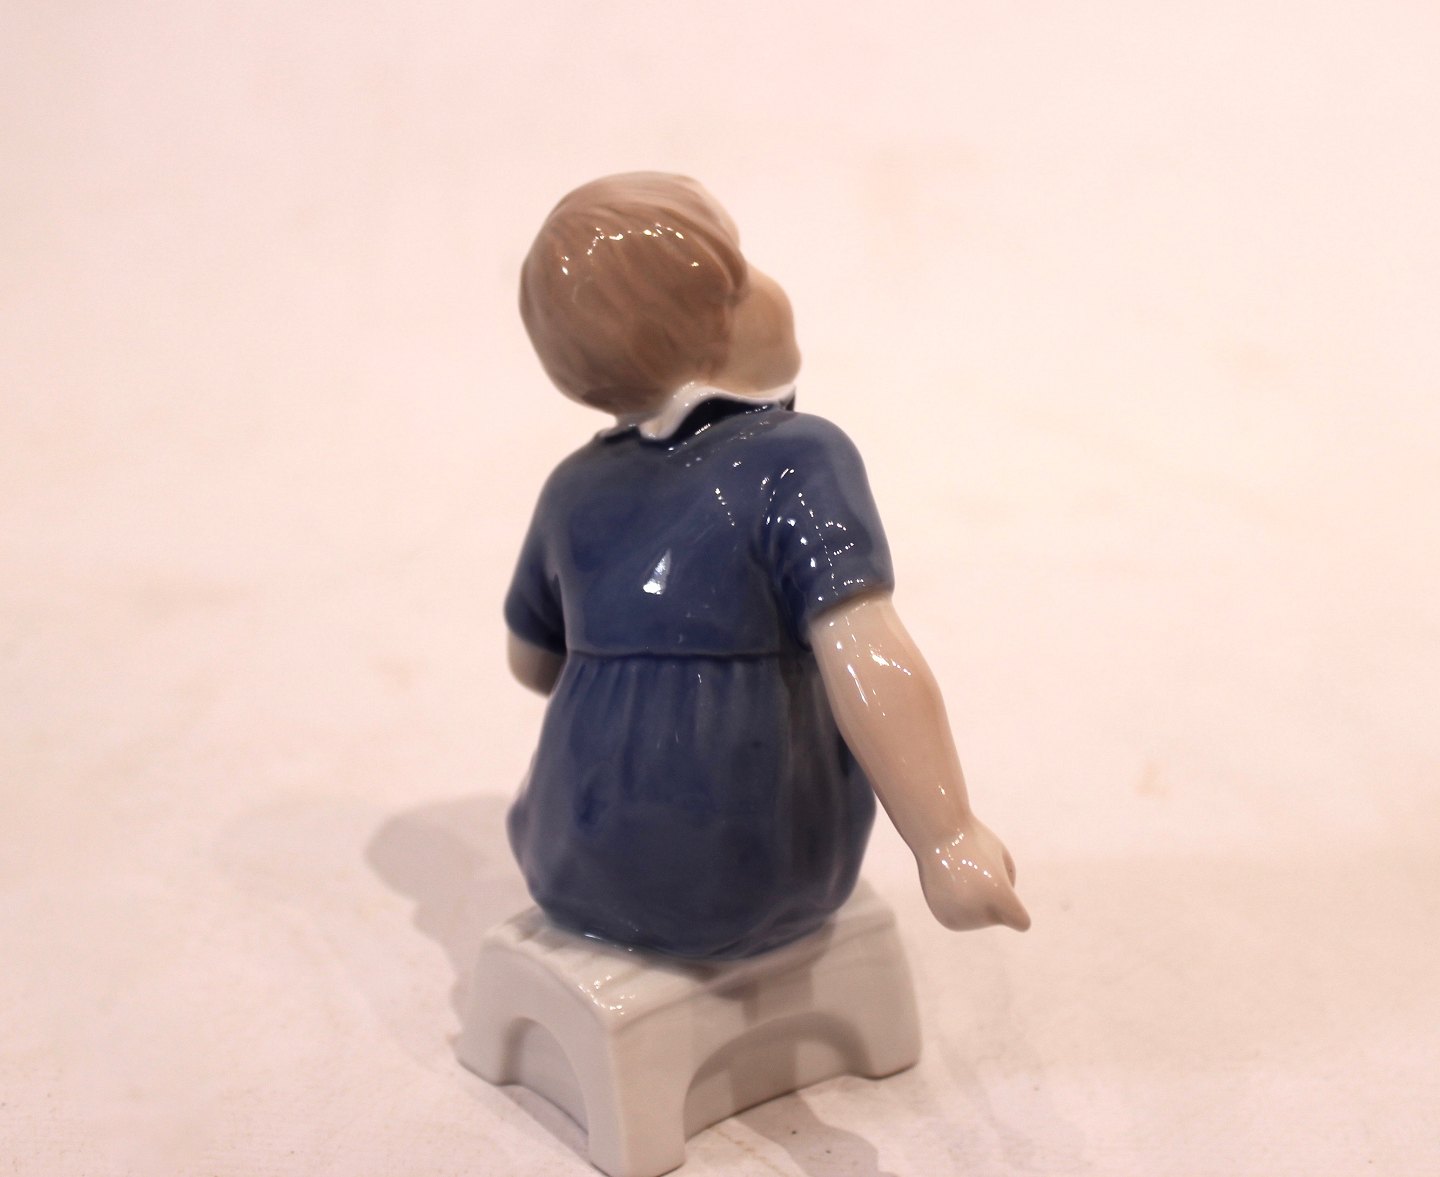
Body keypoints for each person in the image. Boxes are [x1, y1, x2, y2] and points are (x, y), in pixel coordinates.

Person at [504, 172, 1028, 958]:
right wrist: (947, 839)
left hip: (566, 857)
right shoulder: (796, 457)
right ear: (717, 326)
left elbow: (531, 664)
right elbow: (867, 653)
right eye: (742, 272)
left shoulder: (571, 487)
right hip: (748, 876)